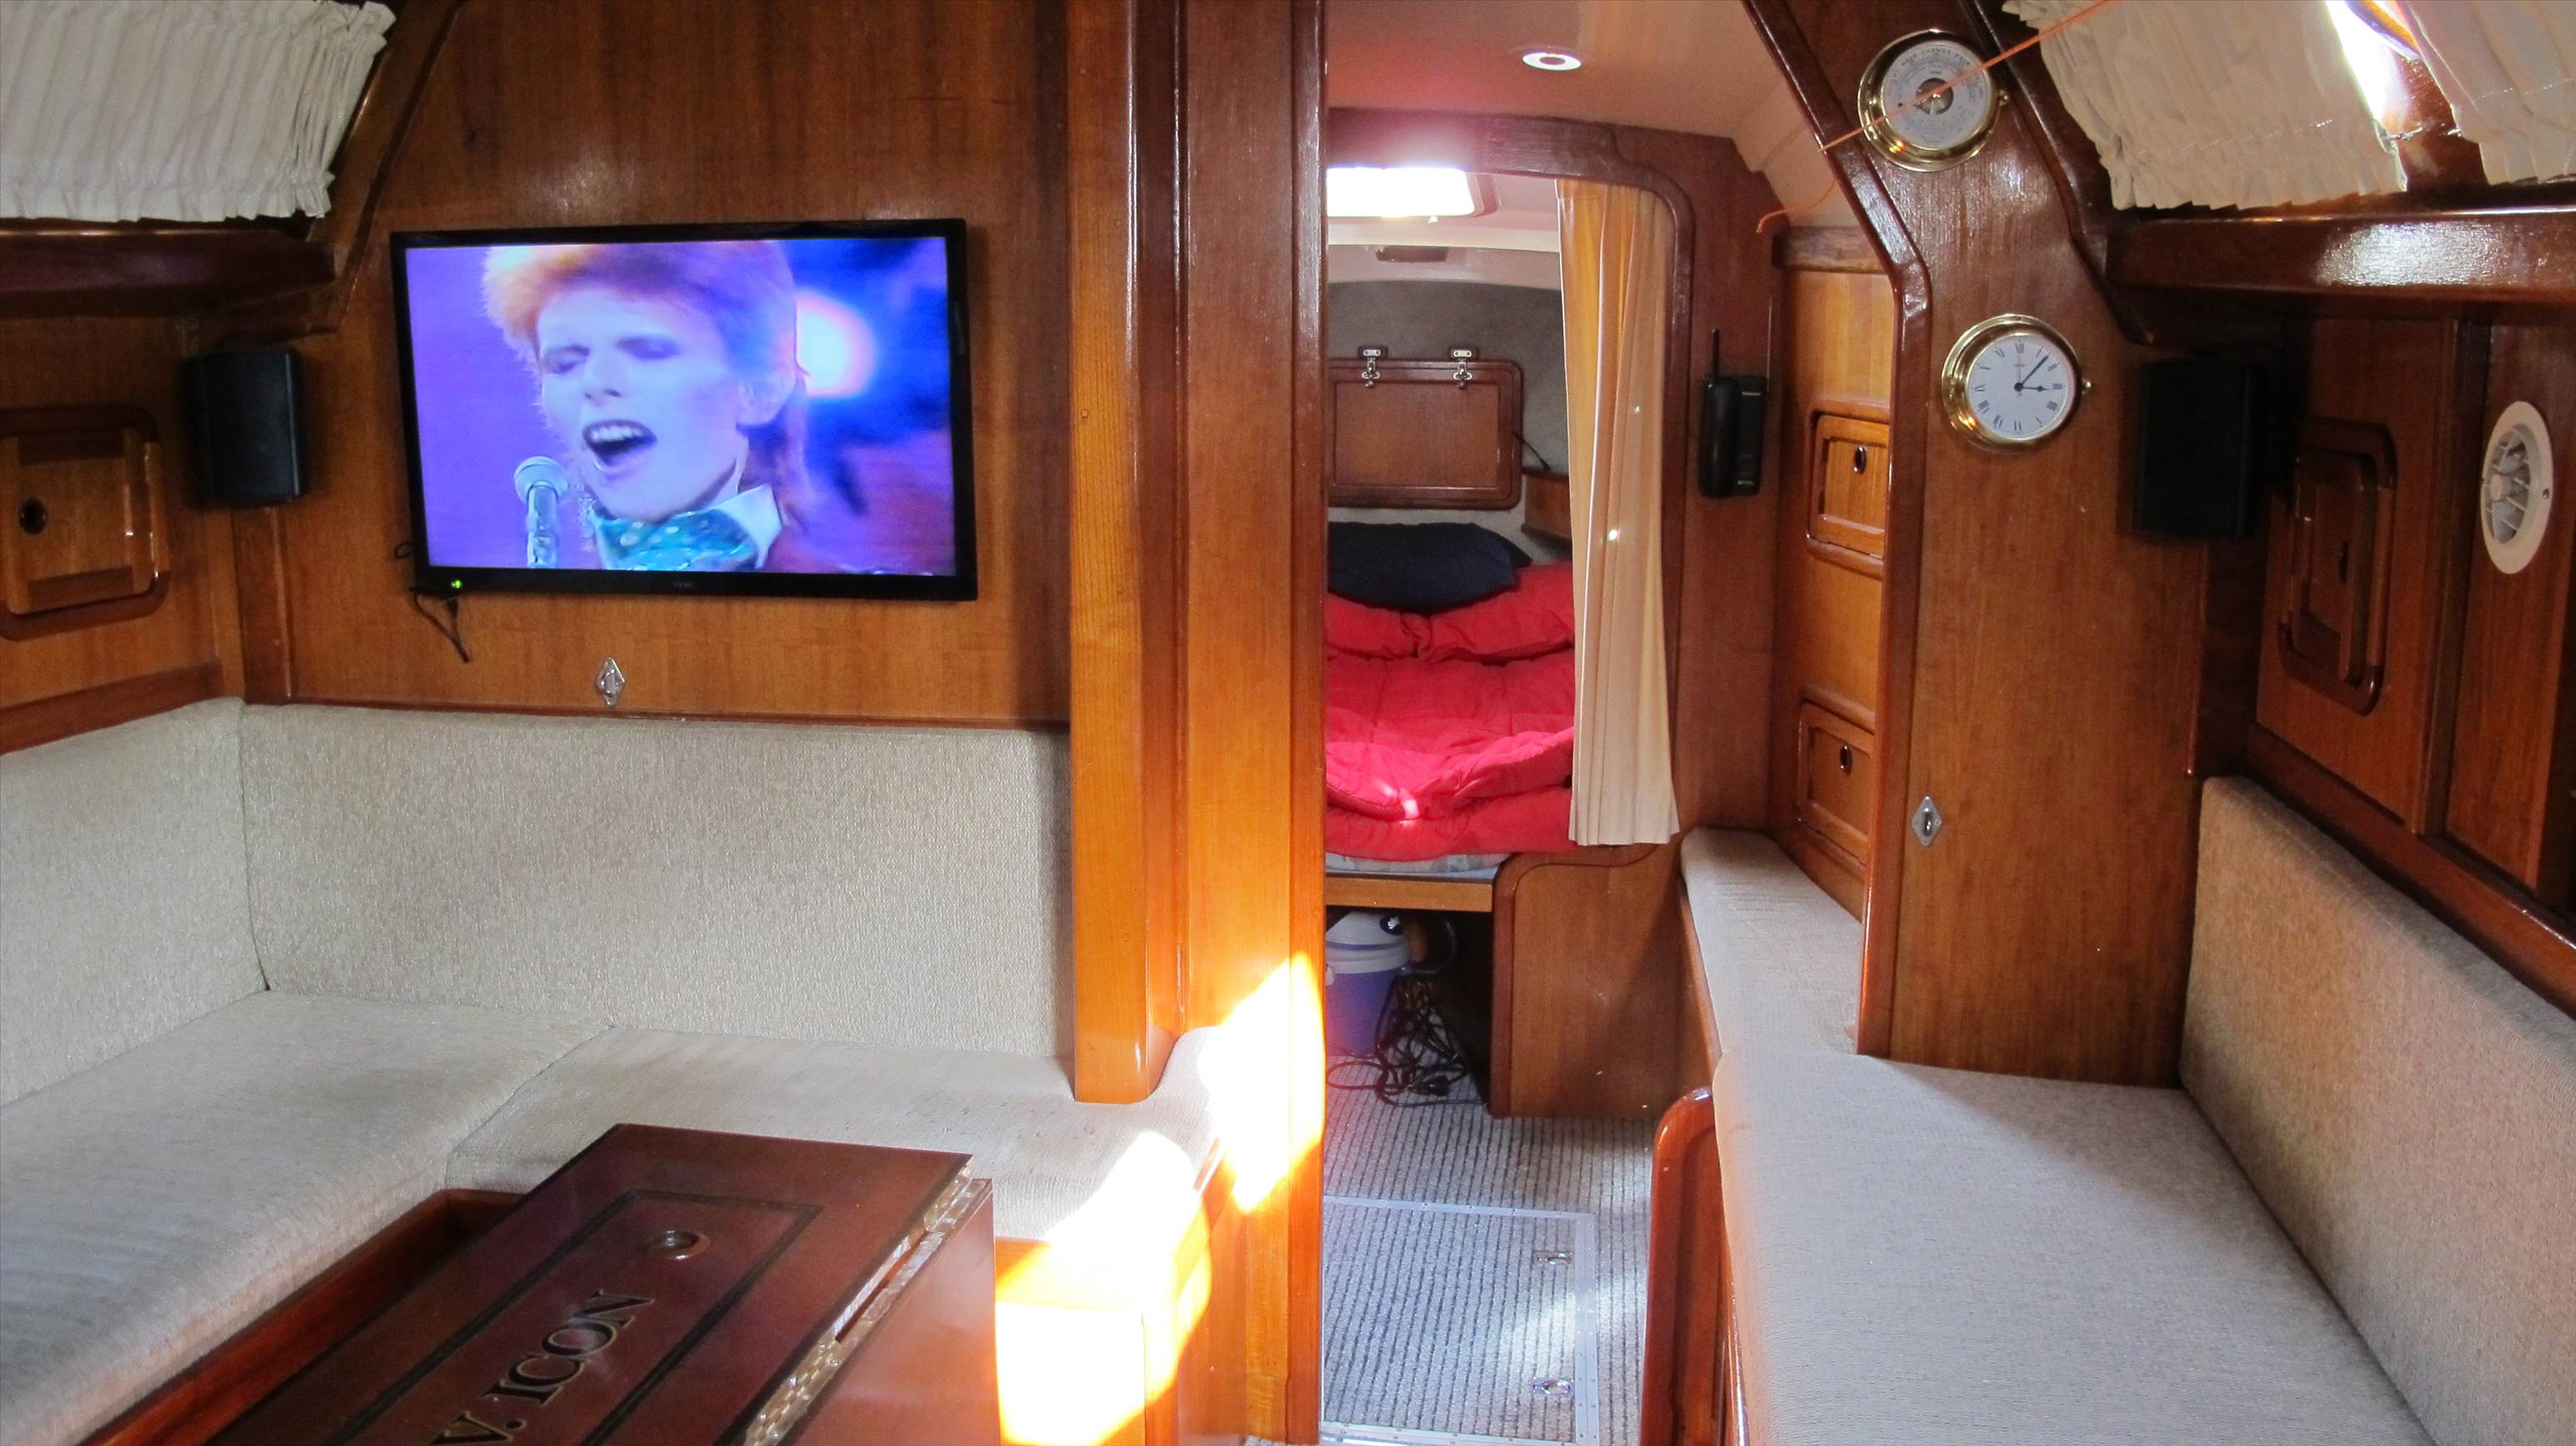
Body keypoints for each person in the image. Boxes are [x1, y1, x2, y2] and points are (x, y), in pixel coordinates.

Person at [482, 239, 819, 572]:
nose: (596, 382)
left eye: (649, 352)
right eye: (566, 364)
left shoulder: (832, 594)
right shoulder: (542, 597)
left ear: (762, 390)